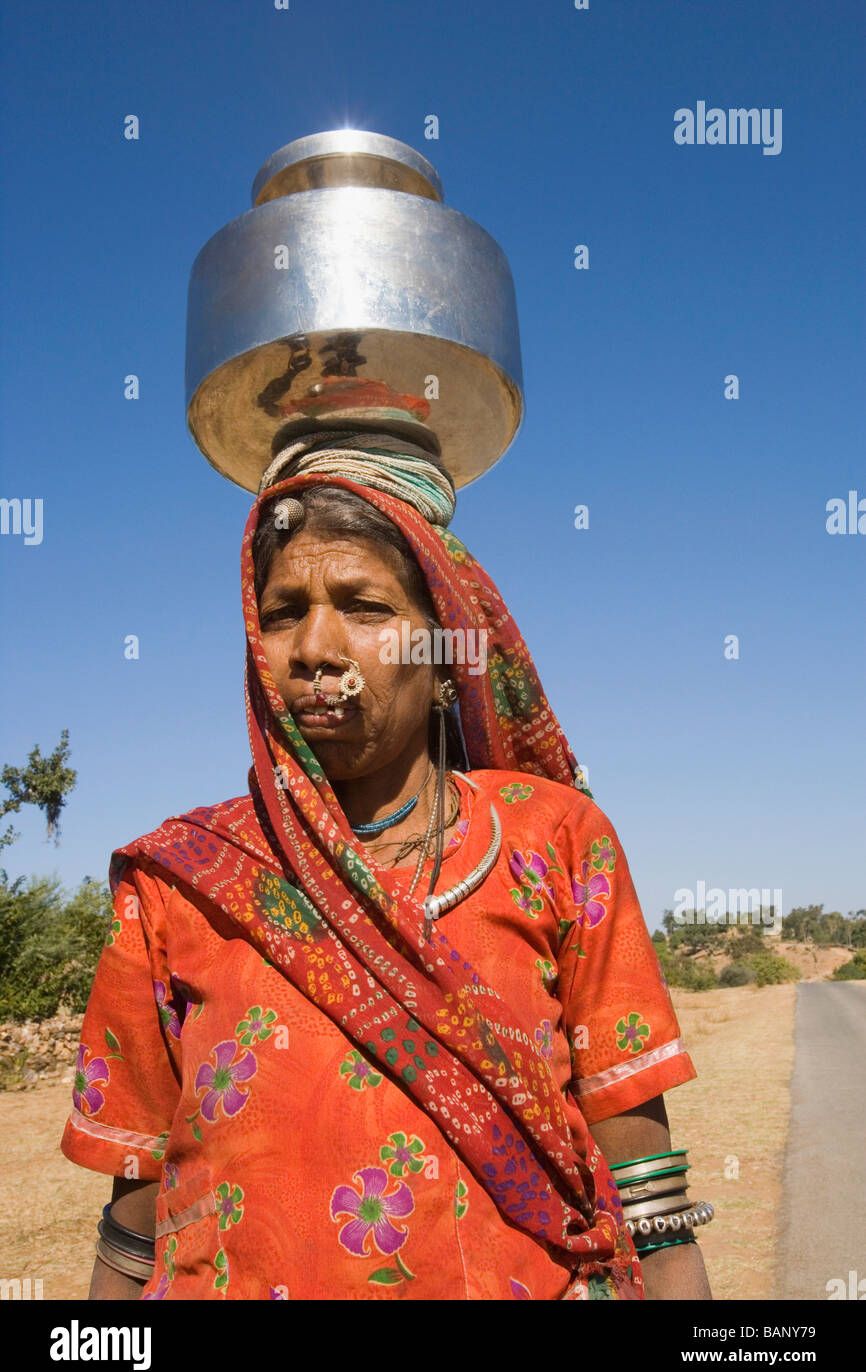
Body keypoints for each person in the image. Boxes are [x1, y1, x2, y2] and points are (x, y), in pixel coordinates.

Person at [61, 428, 712, 1300]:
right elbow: (134, 1225)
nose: (315, 649)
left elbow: (651, 1211)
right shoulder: (179, 884)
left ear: (444, 657)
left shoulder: (553, 841)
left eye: (365, 608)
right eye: (284, 611)